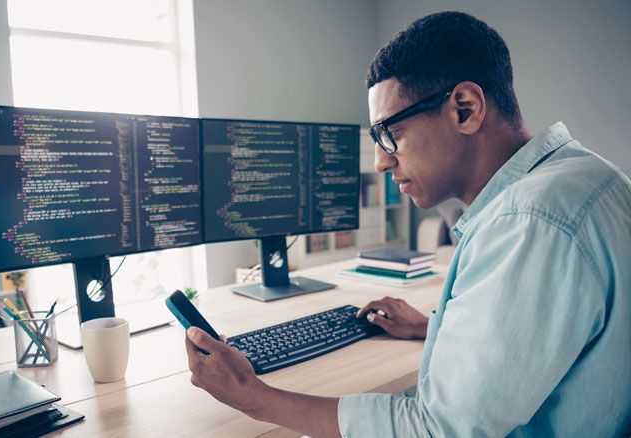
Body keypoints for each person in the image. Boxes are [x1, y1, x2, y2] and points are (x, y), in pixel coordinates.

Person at [185, 11, 631, 437]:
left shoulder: (530, 223)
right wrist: (431, 327)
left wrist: (251, 395)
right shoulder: (589, 176)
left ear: (465, 108)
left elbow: (436, 430)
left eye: (387, 134)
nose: (380, 161)